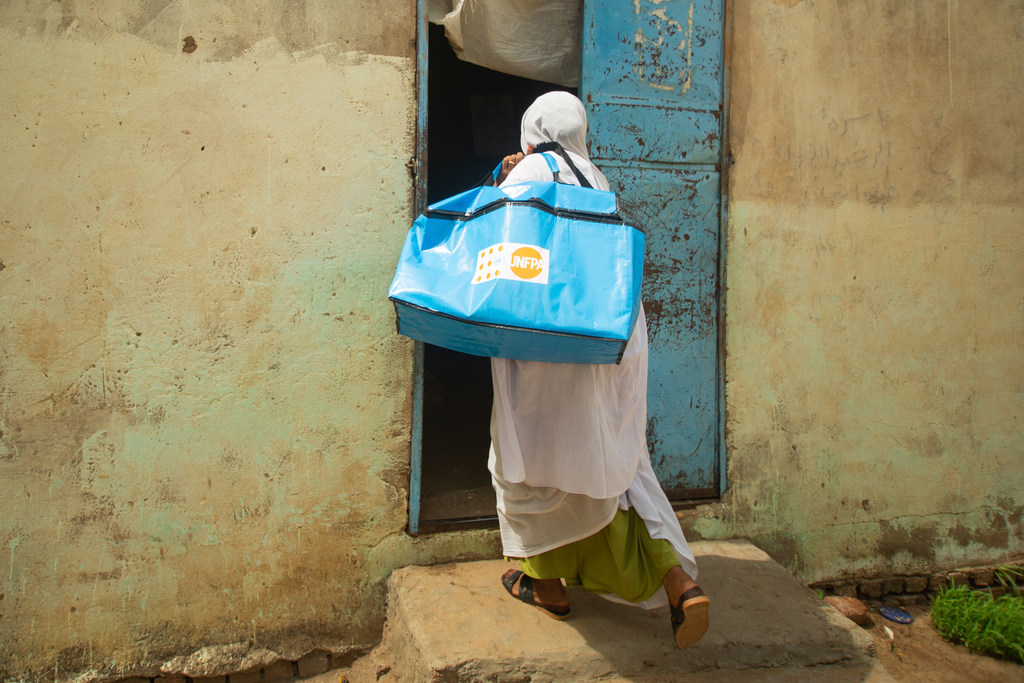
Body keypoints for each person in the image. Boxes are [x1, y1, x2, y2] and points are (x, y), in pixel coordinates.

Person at [487, 91, 711, 648]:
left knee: (530, 456)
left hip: (549, 341)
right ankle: (679, 582)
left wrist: (501, 177)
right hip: (610, 340)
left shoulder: (530, 168)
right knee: (616, 461)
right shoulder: (597, 178)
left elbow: (503, 238)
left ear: (531, 127)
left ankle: (551, 587)